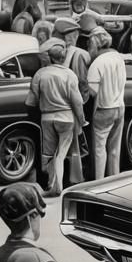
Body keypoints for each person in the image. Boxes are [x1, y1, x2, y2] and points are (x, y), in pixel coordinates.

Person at [25, 43, 85, 198]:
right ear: (63, 57)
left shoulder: (40, 74)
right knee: (61, 154)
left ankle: (53, 185)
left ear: (50, 58)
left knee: (50, 154)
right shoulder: (70, 74)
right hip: (66, 118)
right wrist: (82, 120)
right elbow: (77, 101)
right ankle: (57, 187)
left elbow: (31, 101)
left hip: (47, 117)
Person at [85, 30, 127, 180]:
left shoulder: (98, 63)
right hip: (120, 107)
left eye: (89, 44)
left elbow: (92, 92)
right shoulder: (118, 58)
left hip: (104, 109)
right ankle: (114, 180)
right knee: (114, 149)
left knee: (99, 149)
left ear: (95, 44)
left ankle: (99, 182)